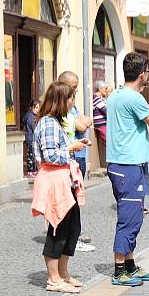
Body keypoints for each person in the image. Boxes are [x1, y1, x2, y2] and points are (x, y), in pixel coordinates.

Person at [105, 52, 149, 287]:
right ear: (142, 75)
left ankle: (129, 265)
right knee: (129, 218)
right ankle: (119, 270)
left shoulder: (117, 94)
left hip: (122, 162)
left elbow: (128, 125)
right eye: (147, 73)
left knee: (134, 214)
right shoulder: (135, 98)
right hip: (128, 165)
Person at [31, 82, 89, 293]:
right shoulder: (47, 123)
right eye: (71, 98)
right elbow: (51, 155)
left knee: (73, 228)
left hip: (65, 179)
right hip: (55, 181)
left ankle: (63, 273)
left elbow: (59, 149)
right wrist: (71, 147)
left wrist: (74, 144)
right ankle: (53, 278)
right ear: (60, 100)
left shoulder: (56, 122)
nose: (73, 102)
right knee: (58, 229)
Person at [59, 72, 95, 252]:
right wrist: (82, 121)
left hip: (78, 157)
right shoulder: (62, 106)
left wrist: (83, 121)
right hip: (70, 159)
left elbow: (87, 120)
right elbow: (82, 125)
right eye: (74, 86)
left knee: (76, 199)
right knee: (70, 200)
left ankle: (73, 235)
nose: (77, 90)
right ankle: (70, 238)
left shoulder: (72, 104)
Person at [92, 81, 109, 168]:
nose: (107, 91)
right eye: (105, 89)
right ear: (100, 89)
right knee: (109, 141)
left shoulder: (102, 98)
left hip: (105, 123)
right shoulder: (96, 98)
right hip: (101, 124)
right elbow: (105, 110)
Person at [23, 99, 40, 178]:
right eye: (36, 107)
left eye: (38, 107)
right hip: (31, 139)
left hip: (29, 138)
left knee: (32, 155)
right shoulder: (31, 117)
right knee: (31, 155)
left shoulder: (28, 115)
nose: (38, 110)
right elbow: (35, 129)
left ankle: (33, 170)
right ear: (32, 107)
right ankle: (31, 171)